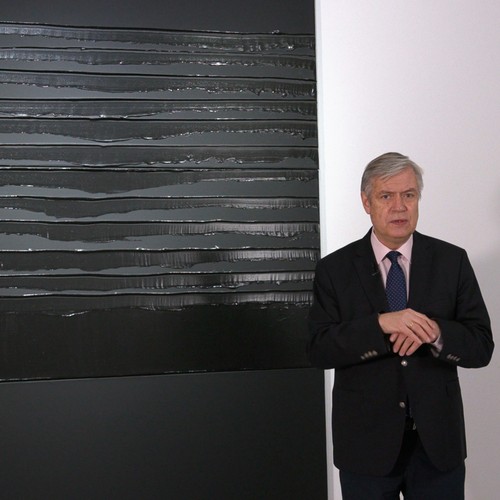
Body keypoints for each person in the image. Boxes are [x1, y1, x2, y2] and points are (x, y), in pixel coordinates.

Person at [307, 152, 494, 499]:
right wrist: (380, 325)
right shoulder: (335, 269)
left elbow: (482, 346)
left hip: (438, 448)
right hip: (366, 449)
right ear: (366, 202)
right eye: (386, 196)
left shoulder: (452, 261)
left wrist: (436, 333)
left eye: (408, 195)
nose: (399, 207)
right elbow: (319, 348)